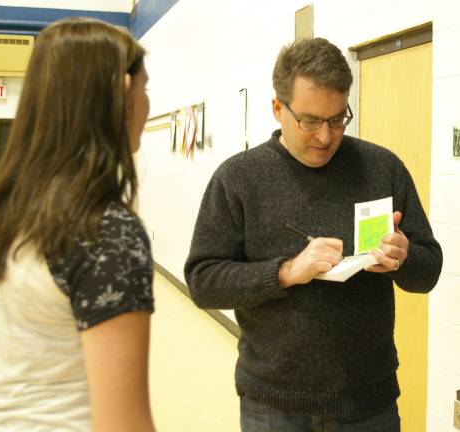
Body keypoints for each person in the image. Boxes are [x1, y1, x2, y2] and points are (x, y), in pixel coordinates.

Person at [184, 37, 442, 432]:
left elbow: (429, 271)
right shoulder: (238, 179)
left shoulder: (382, 167)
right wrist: (285, 271)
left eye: (338, 119)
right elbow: (203, 282)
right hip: (273, 404)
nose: (325, 136)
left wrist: (405, 258)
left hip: (367, 401)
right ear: (277, 108)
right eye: (310, 121)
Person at [0, 18, 155, 432]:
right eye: (145, 87)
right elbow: (124, 424)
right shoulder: (104, 230)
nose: (147, 101)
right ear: (121, 92)